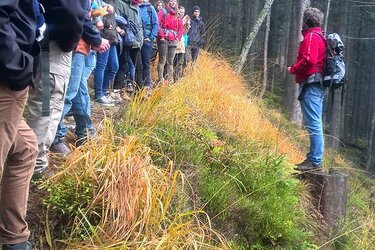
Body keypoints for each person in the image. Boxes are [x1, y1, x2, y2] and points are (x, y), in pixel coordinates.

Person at [27, 0, 86, 179]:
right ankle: (35, 167)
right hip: (52, 51)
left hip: (46, 46)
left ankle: (34, 162)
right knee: (46, 106)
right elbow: (71, 12)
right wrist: (70, 41)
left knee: (47, 104)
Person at [0, 1, 38, 249]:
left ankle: (14, 237)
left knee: (25, 148)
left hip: (13, 69)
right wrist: (18, 67)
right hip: (7, 74)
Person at [52, 0, 110, 154]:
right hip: (74, 45)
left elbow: (83, 14)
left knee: (80, 93)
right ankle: (55, 137)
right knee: (67, 94)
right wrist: (96, 39)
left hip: (82, 46)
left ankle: (85, 134)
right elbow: (78, 15)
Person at [288, 7, 326, 172]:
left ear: (306, 20)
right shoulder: (318, 36)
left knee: (314, 124)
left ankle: (315, 161)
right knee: (314, 122)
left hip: (312, 84)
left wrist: (293, 69)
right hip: (315, 84)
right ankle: (313, 159)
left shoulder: (311, 37)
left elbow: (309, 60)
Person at [93, 0, 120, 106]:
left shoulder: (113, 3)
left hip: (112, 38)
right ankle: (99, 94)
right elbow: (97, 15)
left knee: (114, 67)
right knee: (101, 66)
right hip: (103, 37)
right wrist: (106, 8)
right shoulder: (102, 3)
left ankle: (104, 92)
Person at [114, 0, 144, 94]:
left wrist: (140, 40)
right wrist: (122, 31)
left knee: (139, 67)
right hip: (124, 40)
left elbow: (139, 26)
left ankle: (140, 92)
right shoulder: (120, 3)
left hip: (135, 42)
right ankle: (117, 90)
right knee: (122, 66)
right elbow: (116, 19)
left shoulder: (137, 7)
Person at [157, 0, 183, 83]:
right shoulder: (163, 12)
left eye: (174, 1)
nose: (173, 3)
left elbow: (181, 29)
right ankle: (161, 79)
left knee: (170, 61)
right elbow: (157, 24)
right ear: (168, 2)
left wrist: (177, 38)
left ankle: (170, 79)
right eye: (171, 1)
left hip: (173, 41)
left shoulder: (177, 14)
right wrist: (161, 36)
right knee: (162, 60)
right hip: (163, 39)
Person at [139, 0, 159, 90]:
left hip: (146, 40)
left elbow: (155, 24)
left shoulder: (150, 8)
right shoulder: (134, 6)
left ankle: (146, 84)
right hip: (136, 39)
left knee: (146, 62)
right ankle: (137, 83)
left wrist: (151, 37)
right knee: (135, 63)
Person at [173, 6, 190, 81]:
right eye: (180, 12)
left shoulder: (185, 21)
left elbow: (184, 32)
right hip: (173, 43)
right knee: (171, 62)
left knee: (179, 63)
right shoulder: (173, 19)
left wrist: (184, 24)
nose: (181, 14)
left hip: (181, 44)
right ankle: (170, 78)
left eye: (183, 12)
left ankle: (177, 79)